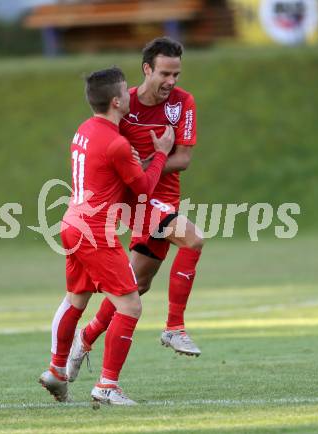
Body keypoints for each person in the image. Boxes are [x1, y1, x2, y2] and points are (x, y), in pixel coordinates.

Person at [67, 37, 204, 382]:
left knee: (134, 286)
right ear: (147, 69)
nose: (171, 82)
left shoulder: (184, 103)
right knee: (193, 239)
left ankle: (84, 340)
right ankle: (174, 327)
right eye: (165, 73)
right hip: (137, 201)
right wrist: (144, 167)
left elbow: (184, 159)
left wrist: (151, 163)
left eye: (176, 74)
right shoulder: (122, 104)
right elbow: (105, 147)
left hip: (164, 200)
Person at [39, 66, 174, 406]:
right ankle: (107, 385)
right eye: (125, 92)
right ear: (116, 101)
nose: (130, 96)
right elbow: (142, 188)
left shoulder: (82, 130)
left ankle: (57, 371)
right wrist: (160, 153)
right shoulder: (117, 144)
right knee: (130, 304)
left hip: (72, 224)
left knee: (76, 300)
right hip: (96, 231)